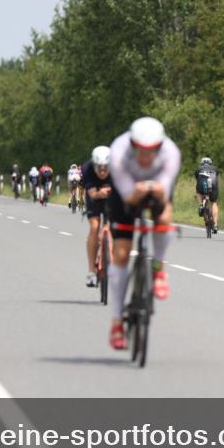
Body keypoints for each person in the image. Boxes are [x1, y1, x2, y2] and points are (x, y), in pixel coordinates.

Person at [106, 117, 181, 350]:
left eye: (151, 152)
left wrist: (154, 191)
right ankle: (117, 321)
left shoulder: (171, 152)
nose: (146, 156)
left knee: (165, 218)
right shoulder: (118, 152)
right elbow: (128, 195)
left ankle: (158, 269)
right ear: (132, 144)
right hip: (125, 193)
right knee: (121, 253)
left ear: (159, 147)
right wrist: (137, 192)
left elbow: (164, 189)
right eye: (141, 150)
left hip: (157, 186)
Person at [83, 147, 114, 288]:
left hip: (111, 198)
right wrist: (100, 193)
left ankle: (112, 261)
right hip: (95, 197)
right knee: (94, 227)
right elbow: (92, 195)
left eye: (105, 168)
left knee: (114, 226)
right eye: (99, 168)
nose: (102, 172)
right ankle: (91, 272)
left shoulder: (117, 169)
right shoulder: (87, 169)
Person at [194, 156, 219, 233]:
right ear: (210, 163)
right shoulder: (214, 168)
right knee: (214, 202)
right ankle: (215, 225)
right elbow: (216, 176)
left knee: (198, 193)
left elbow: (196, 178)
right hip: (213, 183)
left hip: (201, 183)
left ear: (202, 163)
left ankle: (201, 205)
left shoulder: (198, 169)